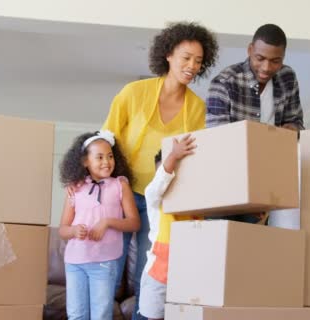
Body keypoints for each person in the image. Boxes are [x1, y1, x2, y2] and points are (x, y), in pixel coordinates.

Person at [101, 22, 219, 319]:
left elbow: (194, 159)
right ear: (168, 54)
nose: (192, 66)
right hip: (121, 194)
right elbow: (107, 137)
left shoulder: (197, 109)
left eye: (198, 61)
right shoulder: (133, 93)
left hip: (159, 201)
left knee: (148, 271)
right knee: (108, 270)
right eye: (186, 57)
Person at [59, 130, 140, 320]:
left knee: (101, 315)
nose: (106, 162)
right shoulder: (75, 188)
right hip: (75, 262)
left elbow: (134, 223)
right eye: (100, 157)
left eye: (110, 156)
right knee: (76, 314)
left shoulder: (120, 185)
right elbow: (63, 229)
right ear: (85, 161)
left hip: (105, 262)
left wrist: (107, 222)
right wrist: (73, 230)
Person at [139, 134, 201, 320]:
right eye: (166, 173)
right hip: (159, 272)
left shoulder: (196, 203)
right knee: (154, 315)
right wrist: (173, 157)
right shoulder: (154, 198)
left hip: (187, 274)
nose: (169, 179)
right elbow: (159, 183)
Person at [206, 23, 303, 131]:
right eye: (260, 58)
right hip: (237, 148)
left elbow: (296, 122)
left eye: (275, 61)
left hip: (277, 147)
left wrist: (293, 128)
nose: (266, 68)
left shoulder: (287, 77)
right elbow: (217, 137)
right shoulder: (223, 83)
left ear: (283, 56)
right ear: (250, 50)